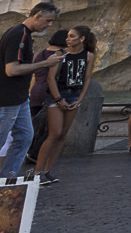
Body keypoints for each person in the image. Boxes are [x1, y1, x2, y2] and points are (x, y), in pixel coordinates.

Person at [0, 2, 65, 179]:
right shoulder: (19, 34)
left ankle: (8, 177)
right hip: (7, 98)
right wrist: (45, 63)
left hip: (19, 98)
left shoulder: (23, 34)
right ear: (37, 16)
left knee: (25, 137)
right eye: (48, 20)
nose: (50, 25)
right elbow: (11, 70)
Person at [35, 26, 96, 184]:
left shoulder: (89, 56)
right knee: (54, 133)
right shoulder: (60, 54)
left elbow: (87, 78)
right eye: (67, 36)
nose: (67, 39)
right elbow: (51, 78)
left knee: (62, 134)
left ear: (82, 39)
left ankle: (48, 170)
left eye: (72, 36)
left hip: (74, 95)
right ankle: (37, 172)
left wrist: (80, 99)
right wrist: (58, 99)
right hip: (57, 95)